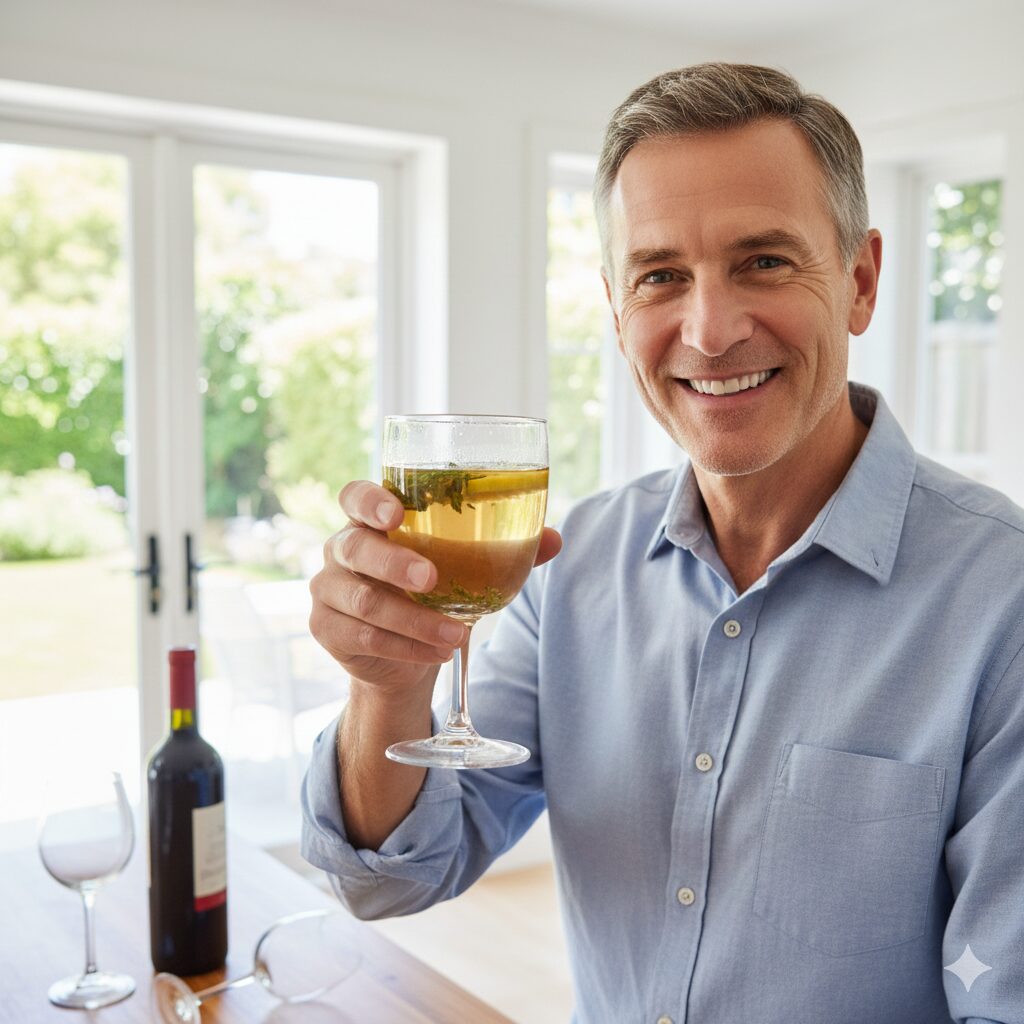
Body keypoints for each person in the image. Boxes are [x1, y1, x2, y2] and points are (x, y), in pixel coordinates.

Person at [301, 62, 1024, 1024]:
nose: (711, 329)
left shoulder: (1002, 599)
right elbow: (393, 877)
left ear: (859, 280)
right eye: (660, 276)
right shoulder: (569, 567)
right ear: (615, 307)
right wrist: (387, 684)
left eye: (764, 261)